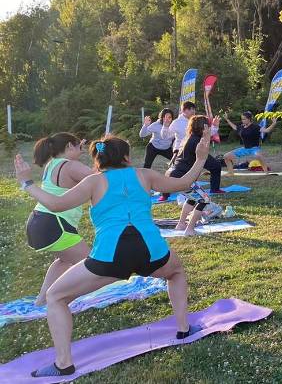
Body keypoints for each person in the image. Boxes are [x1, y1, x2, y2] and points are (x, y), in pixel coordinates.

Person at [13, 131, 212, 378]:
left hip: (110, 257)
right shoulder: (144, 174)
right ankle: (184, 328)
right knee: (176, 272)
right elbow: (183, 184)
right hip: (151, 251)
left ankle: (64, 364)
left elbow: (55, 205)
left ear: (99, 160)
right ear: (127, 157)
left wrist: (27, 183)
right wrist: (200, 158)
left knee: (55, 297)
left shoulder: (94, 181)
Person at [25, 133, 94, 306]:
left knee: (64, 261)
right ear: (70, 146)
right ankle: (60, 298)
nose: (81, 150)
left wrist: (79, 146)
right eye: (79, 147)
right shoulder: (71, 166)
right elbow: (99, 178)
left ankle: (42, 300)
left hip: (37, 222)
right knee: (93, 266)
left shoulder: (51, 164)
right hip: (55, 225)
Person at [168, 115, 225, 234]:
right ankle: (189, 229)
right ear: (203, 127)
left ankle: (181, 224)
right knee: (204, 199)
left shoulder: (191, 138)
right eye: (207, 126)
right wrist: (207, 135)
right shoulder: (197, 141)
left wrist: (209, 133)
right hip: (182, 177)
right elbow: (204, 156)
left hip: (176, 175)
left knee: (192, 198)